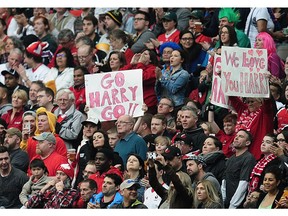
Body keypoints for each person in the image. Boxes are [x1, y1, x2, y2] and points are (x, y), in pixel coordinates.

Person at [229, 95, 275, 160]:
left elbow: (267, 105)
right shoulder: (243, 111)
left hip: (255, 155)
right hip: (240, 155)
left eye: (252, 101)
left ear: (261, 103)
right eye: (248, 102)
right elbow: (233, 98)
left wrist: (265, 95)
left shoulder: (264, 114)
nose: (249, 104)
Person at [221, 129, 256, 209]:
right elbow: (224, 181)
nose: (236, 138)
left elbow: (244, 183)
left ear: (247, 143)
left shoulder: (248, 158)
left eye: (241, 136)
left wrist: (233, 205)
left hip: (238, 205)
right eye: (236, 136)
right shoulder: (230, 159)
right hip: (226, 202)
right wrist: (223, 201)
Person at [121, 48, 158, 114]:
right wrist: (131, 64)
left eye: (145, 54)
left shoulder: (153, 69)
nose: (142, 55)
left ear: (150, 60)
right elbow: (121, 77)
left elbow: (142, 77)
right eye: (142, 54)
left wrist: (140, 63)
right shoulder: (136, 67)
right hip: (134, 105)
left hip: (148, 104)